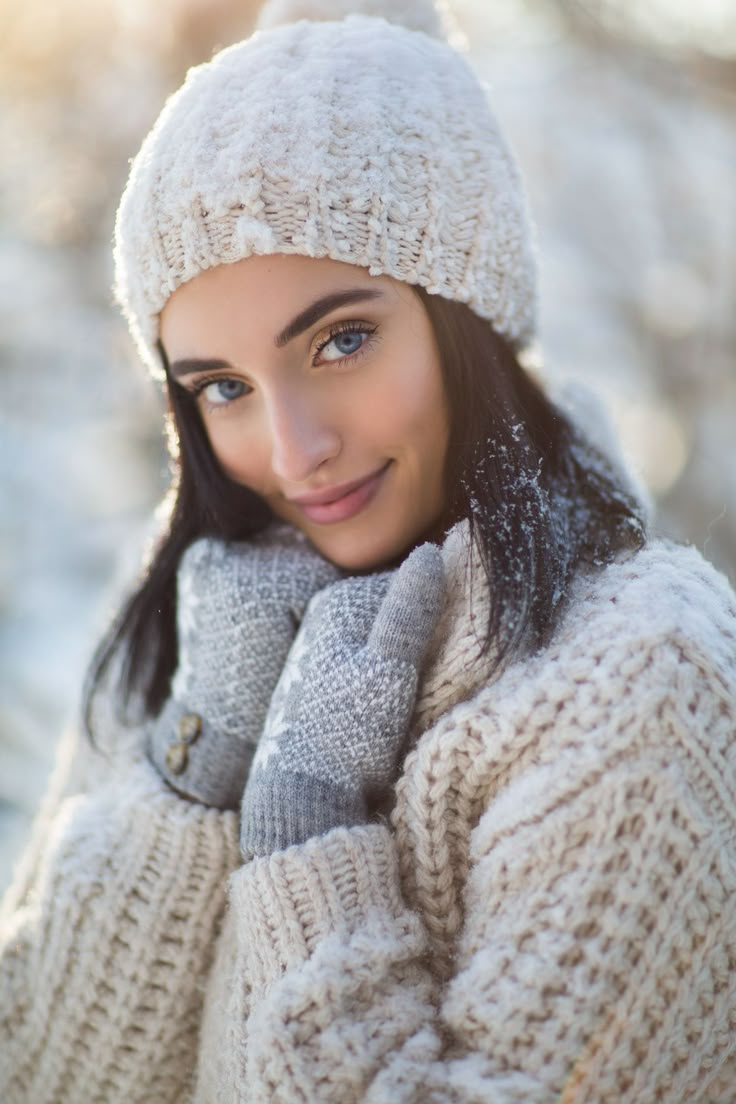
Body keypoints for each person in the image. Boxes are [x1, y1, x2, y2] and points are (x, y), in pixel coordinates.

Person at [1, 0, 735, 1100]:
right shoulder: (198, 623)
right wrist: (202, 772)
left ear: (466, 317)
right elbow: (42, 1069)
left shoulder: (639, 673)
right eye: (222, 389)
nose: (294, 452)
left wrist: (308, 838)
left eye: (341, 340)